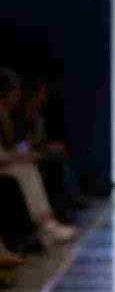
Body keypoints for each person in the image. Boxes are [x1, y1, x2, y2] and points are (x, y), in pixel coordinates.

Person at [0, 67, 79, 247]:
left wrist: (26, 150)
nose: (17, 95)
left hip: (13, 159)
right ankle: (44, 225)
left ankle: (48, 223)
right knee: (25, 171)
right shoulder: (13, 115)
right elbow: (14, 147)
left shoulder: (13, 115)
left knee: (33, 167)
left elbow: (17, 145)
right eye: (14, 91)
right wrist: (24, 152)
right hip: (8, 163)